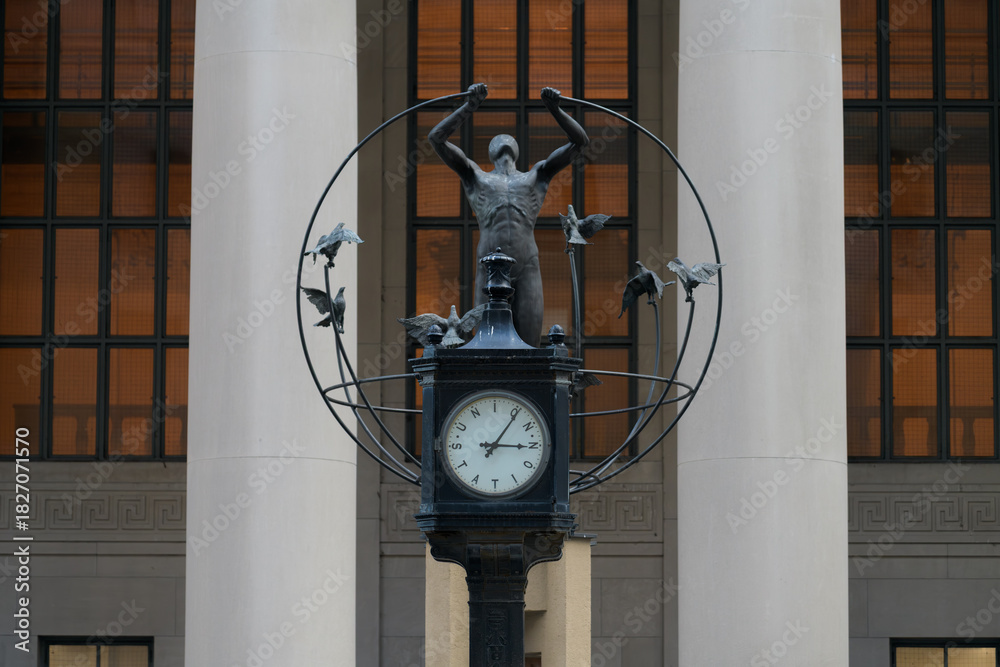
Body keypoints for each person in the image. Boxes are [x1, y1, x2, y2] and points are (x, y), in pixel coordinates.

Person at [428, 83, 590, 345]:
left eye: (509, 138)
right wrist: (469, 107)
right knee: (482, 348)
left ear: (517, 150)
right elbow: (436, 138)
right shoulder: (475, 176)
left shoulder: (535, 175)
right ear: (490, 152)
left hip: (527, 265)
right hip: (488, 268)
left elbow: (580, 142)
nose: (503, 139)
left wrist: (555, 110)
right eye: (497, 139)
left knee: (530, 346)